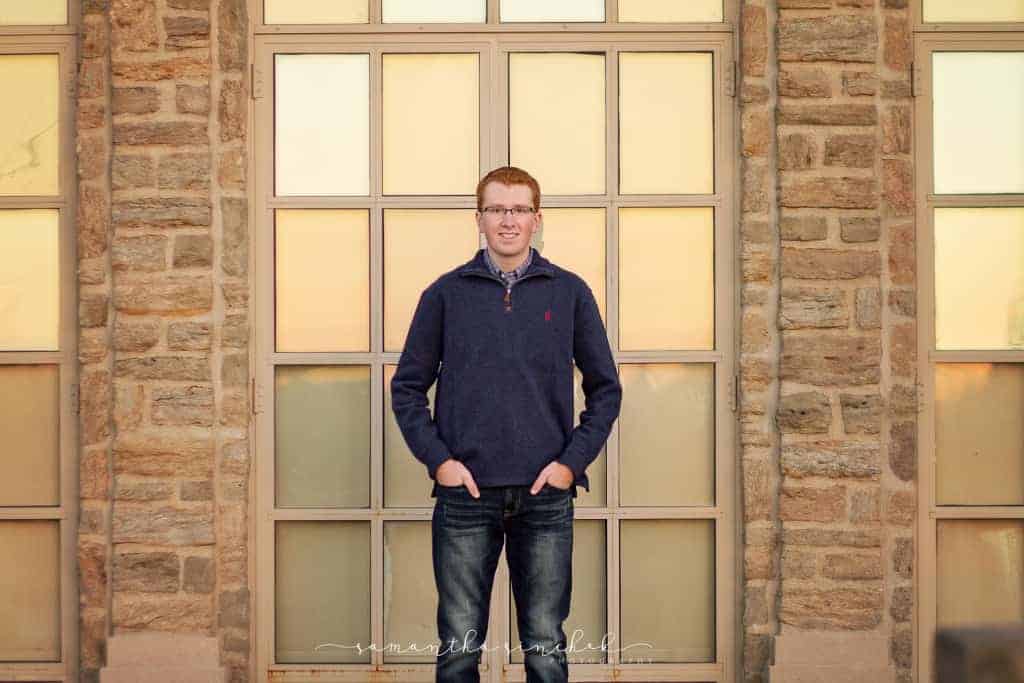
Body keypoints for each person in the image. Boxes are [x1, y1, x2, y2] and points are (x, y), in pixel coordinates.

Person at [390, 166, 622, 683]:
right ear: (479, 219)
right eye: (497, 209)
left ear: (537, 219)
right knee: (458, 649)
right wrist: (441, 462)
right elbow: (407, 387)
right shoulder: (445, 295)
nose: (508, 220)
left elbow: (605, 389)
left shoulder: (570, 293)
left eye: (518, 209)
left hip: (546, 497)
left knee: (544, 647)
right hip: (464, 497)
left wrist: (570, 464)